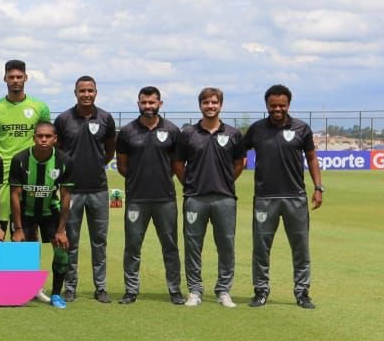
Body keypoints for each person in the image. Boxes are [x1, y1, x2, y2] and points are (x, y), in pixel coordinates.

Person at [240, 84, 323, 309]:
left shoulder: (301, 128)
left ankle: (302, 292)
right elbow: (238, 154)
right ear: (266, 105)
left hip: (295, 197)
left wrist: (318, 187)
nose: (277, 109)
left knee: (300, 248)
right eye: (273, 105)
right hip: (265, 198)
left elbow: (312, 158)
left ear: (288, 105)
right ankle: (260, 291)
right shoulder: (257, 129)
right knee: (261, 247)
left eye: (282, 105)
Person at [173, 87, 245, 308]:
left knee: (226, 245)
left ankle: (223, 290)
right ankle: (195, 290)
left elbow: (240, 163)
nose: (210, 106)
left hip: (224, 199)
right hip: (195, 198)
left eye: (214, 102)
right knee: (193, 245)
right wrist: (191, 183)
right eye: (206, 103)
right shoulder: (188, 134)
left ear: (220, 105)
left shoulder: (233, 134)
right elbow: (177, 164)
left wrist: (224, 182)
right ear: (200, 105)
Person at [115, 86, 184, 305]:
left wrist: (160, 178)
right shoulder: (127, 132)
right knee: (133, 246)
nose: (148, 107)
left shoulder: (172, 130)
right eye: (144, 103)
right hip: (136, 198)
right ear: (138, 104)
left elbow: (176, 165)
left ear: (160, 104)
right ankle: (131, 290)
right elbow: (122, 166)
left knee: (170, 246)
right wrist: (139, 179)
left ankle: (174, 290)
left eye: (152, 103)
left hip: (165, 199)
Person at [53, 75, 116, 303]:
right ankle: (70, 287)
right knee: (71, 240)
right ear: (75, 93)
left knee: (99, 242)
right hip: (71, 191)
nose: (86, 94)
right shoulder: (63, 120)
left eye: (90, 90)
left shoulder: (106, 119)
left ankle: (100, 287)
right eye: (82, 91)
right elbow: (58, 153)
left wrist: (95, 164)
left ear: (96, 92)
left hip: (98, 189)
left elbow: (109, 151)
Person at [10, 121, 73, 308]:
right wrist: (18, 228)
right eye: (40, 136)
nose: (43, 139)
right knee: (23, 251)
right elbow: (15, 195)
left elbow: (66, 196)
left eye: (48, 136)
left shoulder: (64, 161)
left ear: (55, 139)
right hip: (26, 213)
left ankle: (55, 294)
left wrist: (62, 229)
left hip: (50, 212)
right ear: (34, 137)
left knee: (62, 252)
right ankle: (25, 290)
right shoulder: (19, 159)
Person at [0, 59, 50, 232]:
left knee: (27, 232)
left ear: (26, 78)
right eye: (11, 77)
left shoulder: (40, 107)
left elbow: (45, 140)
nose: (15, 80)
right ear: (4, 78)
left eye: (19, 76)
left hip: (29, 173)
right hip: (3, 174)